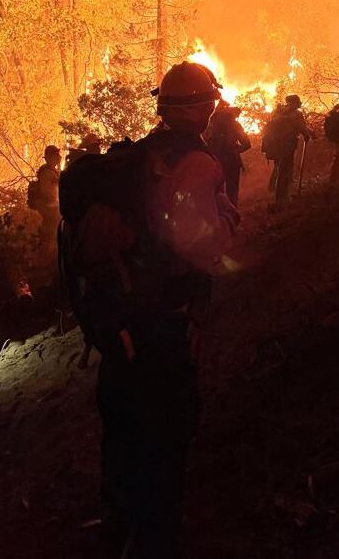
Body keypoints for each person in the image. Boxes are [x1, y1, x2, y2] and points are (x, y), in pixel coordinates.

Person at [65, 62, 239, 558]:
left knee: (121, 424)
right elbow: (202, 250)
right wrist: (228, 219)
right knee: (167, 427)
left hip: (117, 318)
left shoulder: (140, 155)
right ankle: (154, 539)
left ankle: (117, 521)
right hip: (162, 322)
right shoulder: (197, 163)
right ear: (205, 107)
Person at [263, 94, 313, 209]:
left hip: (276, 146)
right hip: (288, 145)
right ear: (296, 103)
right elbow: (301, 127)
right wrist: (307, 135)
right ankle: (281, 200)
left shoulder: (279, 112)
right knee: (285, 171)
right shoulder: (296, 114)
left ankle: (278, 196)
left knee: (280, 169)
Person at [205, 99, 251, 206]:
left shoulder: (211, 124)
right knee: (232, 189)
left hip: (214, 161)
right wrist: (235, 150)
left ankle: (216, 211)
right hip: (231, 161)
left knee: (215, 189)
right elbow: (247, 144)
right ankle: (231, 211)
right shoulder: (234, 125)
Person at [36, 145, 61, 250]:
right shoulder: (47, 173)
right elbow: (47, 191)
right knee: (51, 234)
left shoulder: (52, 171)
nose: (60, 157)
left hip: (52, 207)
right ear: (51, 157)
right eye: (57, 154)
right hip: (50, 208)